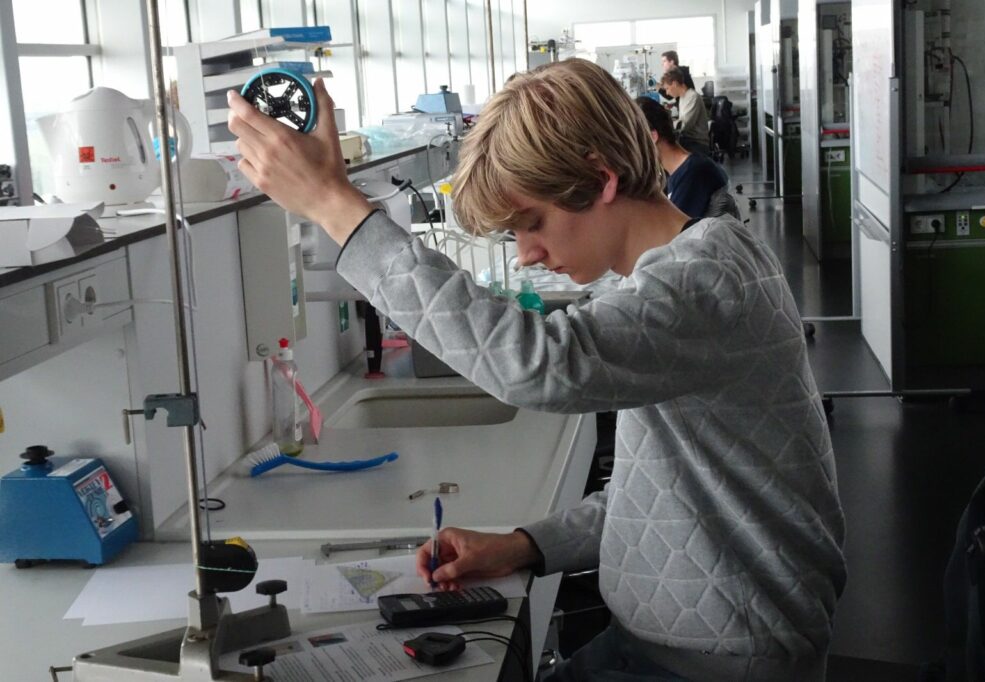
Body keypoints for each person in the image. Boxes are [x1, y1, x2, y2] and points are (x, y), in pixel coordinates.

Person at [227, 58, 846, 682]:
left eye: (532, 223)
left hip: (724, 660)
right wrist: (525, 545)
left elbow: (542, 365)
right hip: (667, 642)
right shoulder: (670, 275)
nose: (526, 254)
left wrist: (336, 207)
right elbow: (661, 492)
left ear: (600, 180)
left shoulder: (706, 276)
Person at [634, 96, 737, 220]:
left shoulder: (693, 174)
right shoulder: (678, 171)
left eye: (631, 140)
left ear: (652, 137)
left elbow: (672, 229)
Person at [662, 65, 712, 156]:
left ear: (674, 83)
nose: (667, 93)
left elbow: (684, 125)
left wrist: (665, 123)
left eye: (667, 88)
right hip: (688, 141)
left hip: (697, 144)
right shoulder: (682, 97)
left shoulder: (692, 97)